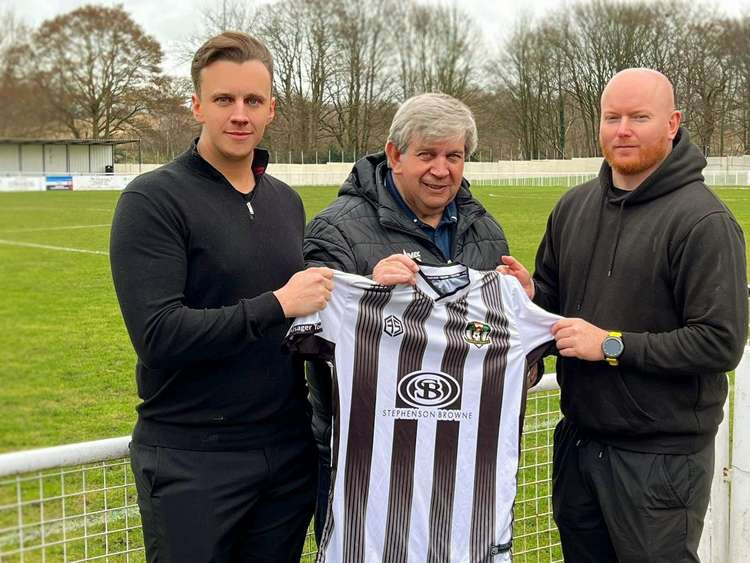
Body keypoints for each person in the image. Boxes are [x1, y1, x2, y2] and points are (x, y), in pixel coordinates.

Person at [503, 68, 748, 562]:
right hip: (579, 443)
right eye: (612, 117)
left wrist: (610, 344)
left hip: (659, 457)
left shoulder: (704, 221)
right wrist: (531, 298)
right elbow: (554, 308)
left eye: (639, 117)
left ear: (673, 123)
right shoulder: (572, 207)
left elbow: (719, 342)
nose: (623, 130)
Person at [109, 32, 333, 563]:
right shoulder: (153, 199)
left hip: (284, 450)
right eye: (223, 100)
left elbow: (305, 318)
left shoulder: (285, 201)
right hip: (192, 457)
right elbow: (159, 335)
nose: (240, 114)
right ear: (197, 106)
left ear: (272, 109)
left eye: (253, 101)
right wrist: (276, 305)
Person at [303, 92, 515, 541]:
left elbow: (512, 355)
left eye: (453, 156)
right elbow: (309, 336)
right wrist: (367, 298)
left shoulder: (486, 231)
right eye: (427, 155)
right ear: (395, 155)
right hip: (365, 464)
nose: (442, 170)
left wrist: (515, 314)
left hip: (463, 462)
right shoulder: (336, 230)